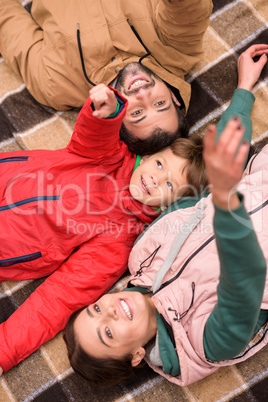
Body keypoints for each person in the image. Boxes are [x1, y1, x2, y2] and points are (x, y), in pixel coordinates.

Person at [63, 45, 268, 385]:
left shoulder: (142, 254)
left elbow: (211, 163)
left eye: (96, 310)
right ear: (136, 356)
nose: (109, 311)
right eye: (108, 333)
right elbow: (243, 284)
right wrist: (224, 199)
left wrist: (244, 90)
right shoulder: (206, 345)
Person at [0, 81, 209, 375]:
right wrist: (107, 112)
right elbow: (94, 136)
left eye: (171, 185)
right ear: (148, 156)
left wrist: (4, 351)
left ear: (169, 207)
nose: (155, 180)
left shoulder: (122, 241)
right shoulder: (109, 156)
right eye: (160, 165)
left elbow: (60, 297)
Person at [0, 0, 213, 154]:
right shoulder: (178, 49)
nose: (144, 94)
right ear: (175, 98)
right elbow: (189, 10)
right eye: (159, 103)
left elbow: (6, 19)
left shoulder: (57, 86)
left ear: (117, 118)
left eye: (137, 112)